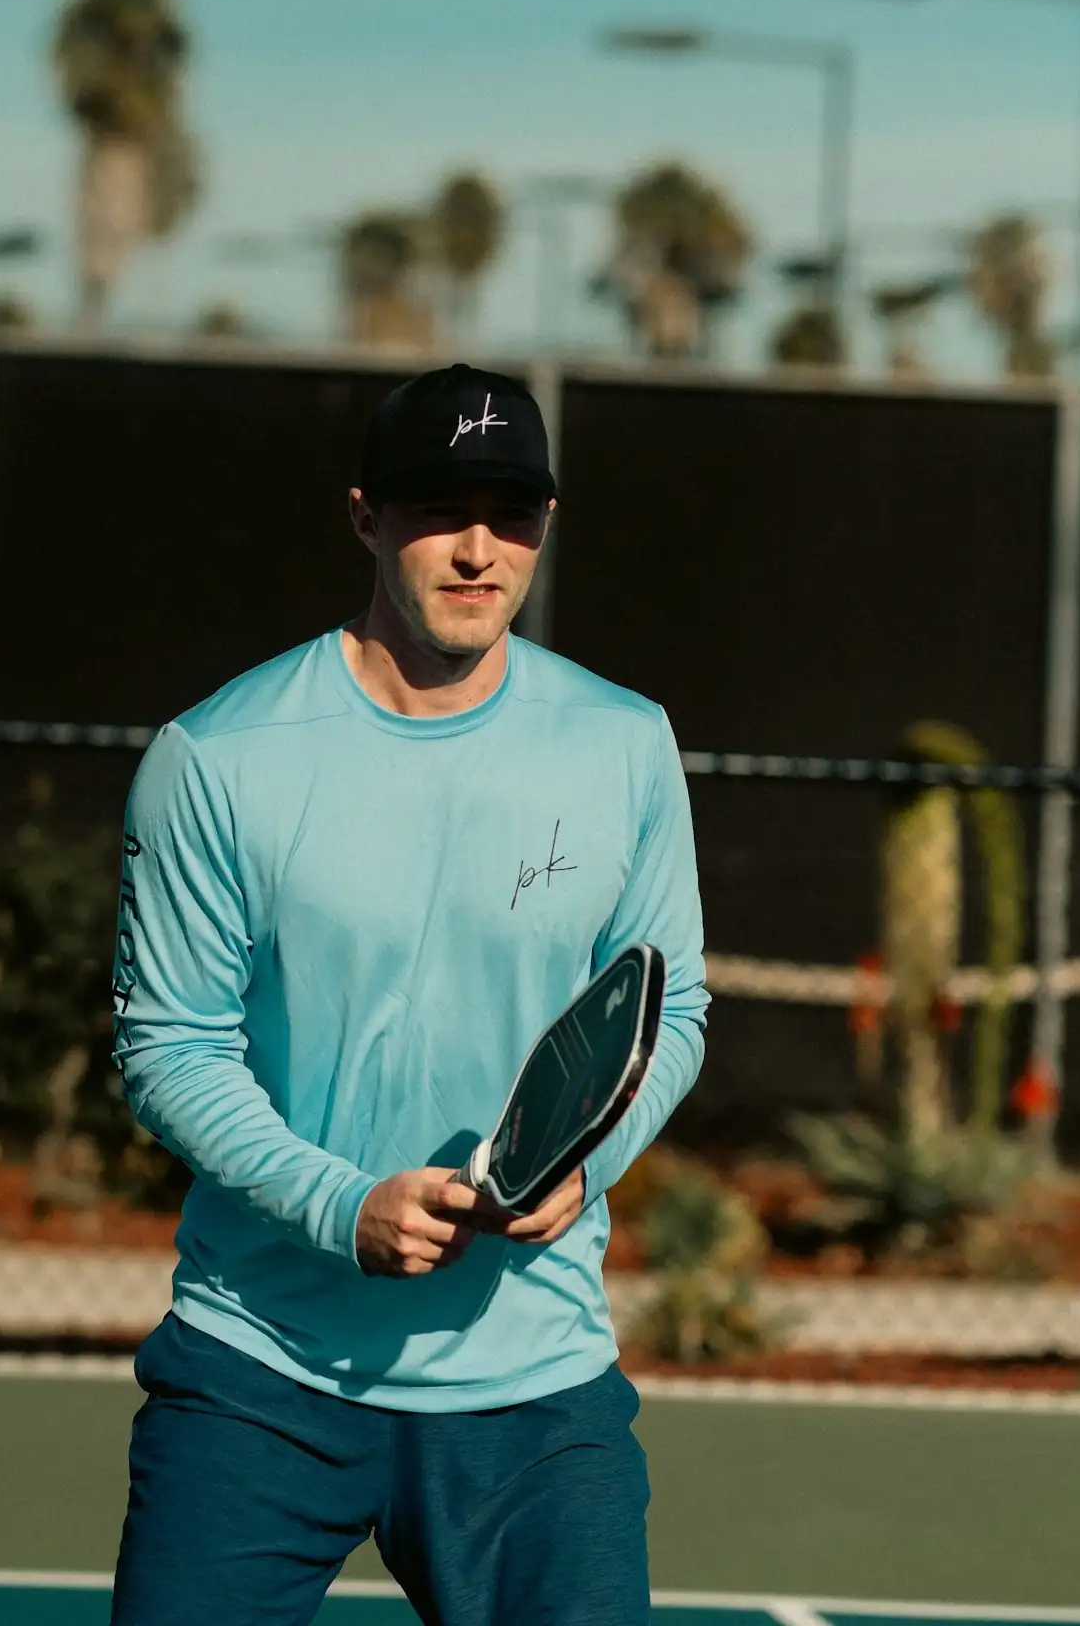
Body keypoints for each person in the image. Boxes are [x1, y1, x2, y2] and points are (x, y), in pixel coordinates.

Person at [109, 363, 709, 1626]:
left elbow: (674, 1009)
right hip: (258, 1375)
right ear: (365, 516)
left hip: (535, 1394)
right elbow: (170, 1045)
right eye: (440, 509)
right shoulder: (216, 757)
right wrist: (342, 1206)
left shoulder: (625, 742)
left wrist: (586, 1165)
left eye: (513, 513)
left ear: (547, 522)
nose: (479, 549)